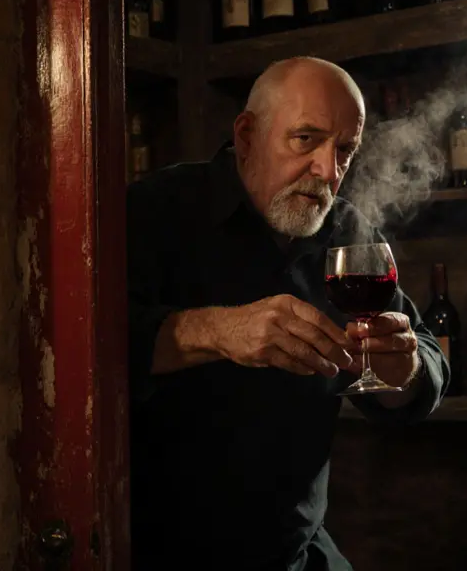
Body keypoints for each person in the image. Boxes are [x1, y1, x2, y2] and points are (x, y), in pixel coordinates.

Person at [127, 56, 450, 570]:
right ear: (248, 135)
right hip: (159, 553)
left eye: (345, 150)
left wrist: (403, 370)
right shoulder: (152, 211)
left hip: (297, 553)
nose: (328, 170)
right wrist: (214, 329)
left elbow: (426, 359)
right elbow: (91, 350)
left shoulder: (346, 231)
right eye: (306, 140)